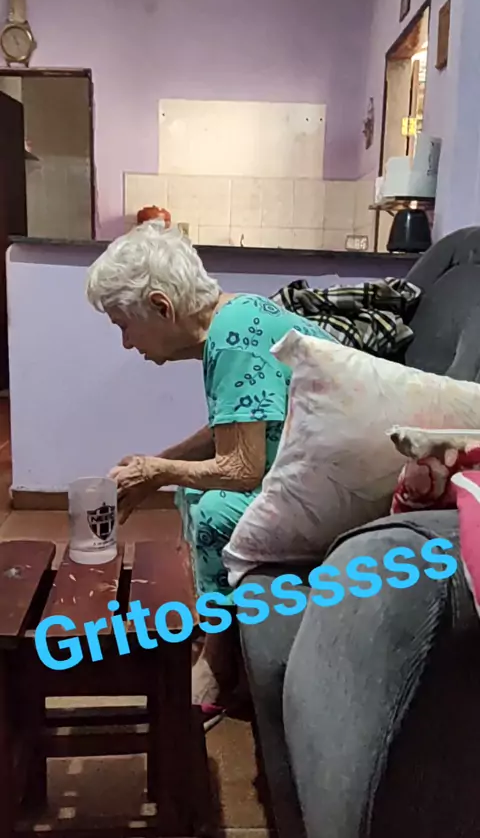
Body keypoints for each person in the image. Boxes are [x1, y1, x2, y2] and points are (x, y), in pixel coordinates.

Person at [86, 221, 336, 718]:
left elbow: (242, 468)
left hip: (336, 487)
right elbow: (235, 425)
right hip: (312, 468)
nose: (126, 343)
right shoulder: (234, 319)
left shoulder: (234, 339)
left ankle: (218, 662)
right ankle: (218, 622)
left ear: (161, 307)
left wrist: (159, 471)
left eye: (123, 325)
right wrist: (158, 462)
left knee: (217, 507)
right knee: (191, 487)